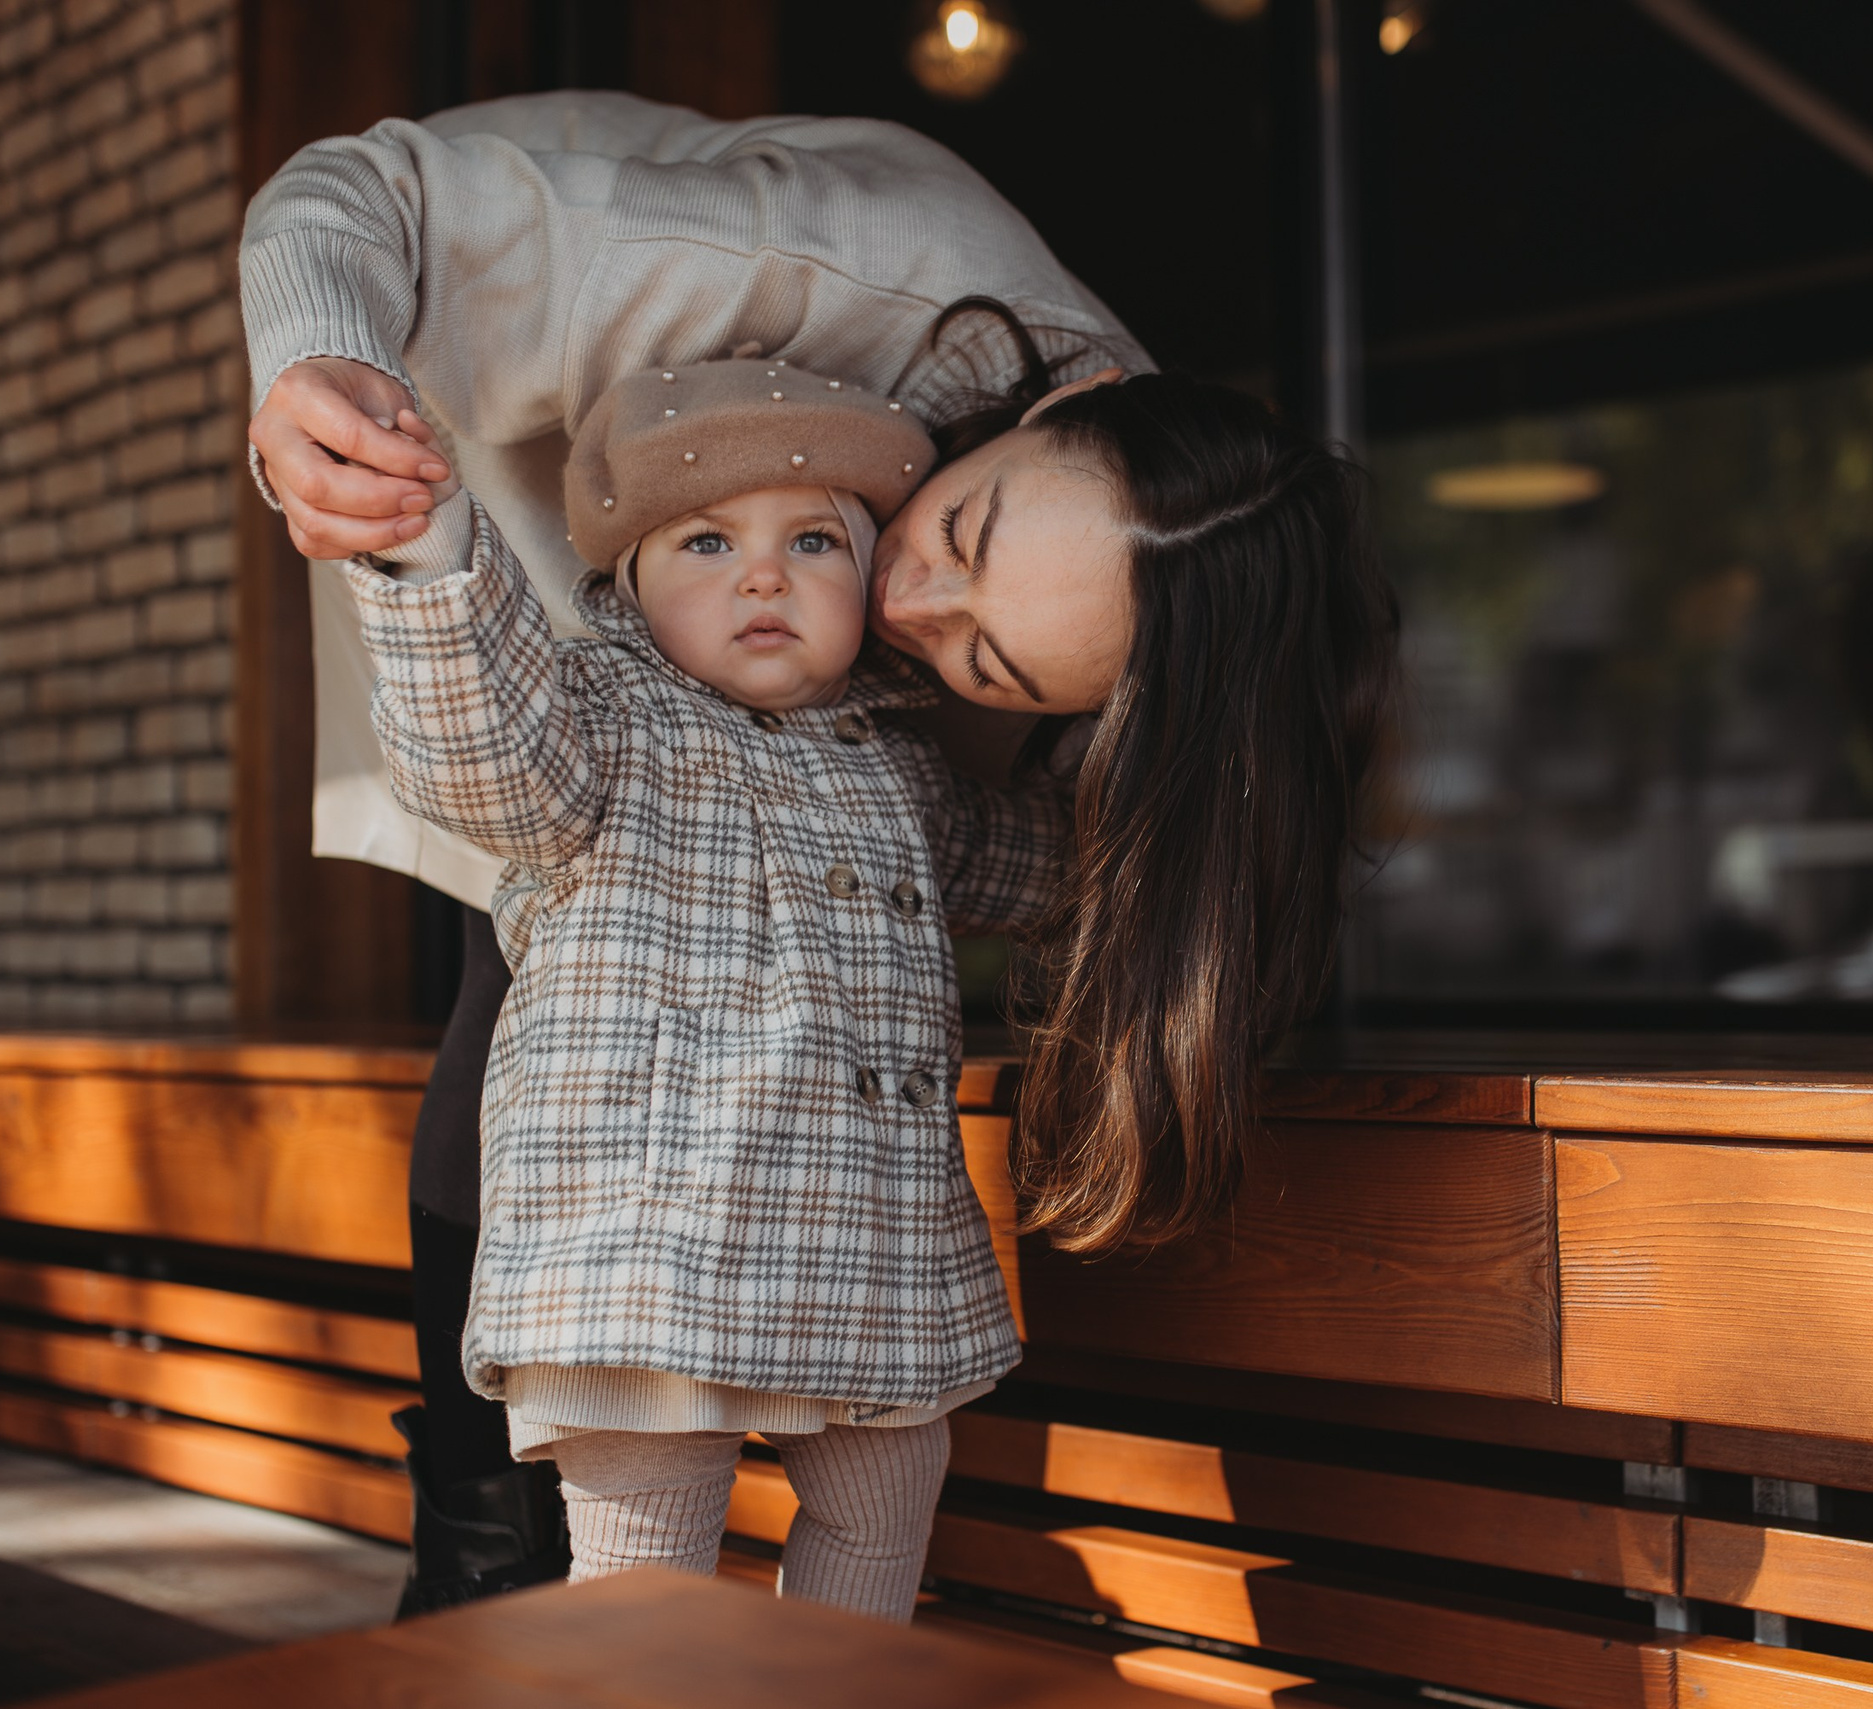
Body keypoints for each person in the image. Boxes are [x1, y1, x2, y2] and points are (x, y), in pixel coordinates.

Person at [242, 90, 1398, 1609]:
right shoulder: (816, 268)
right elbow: (360, 185)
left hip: (825, 1055)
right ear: (1068, 403)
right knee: (515, 946)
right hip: (486, 511)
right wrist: (327, 384)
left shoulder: (1048, 636)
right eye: (965, 538)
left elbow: (1005, 842)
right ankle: (476, 1541)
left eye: (990, 669)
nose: (925, 619)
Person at [345, 354, 1056, 1617]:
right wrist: (437, 560)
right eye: (709, 539)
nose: (765, 573)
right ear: (626, 583)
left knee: (887, 1499)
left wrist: (1149, 774)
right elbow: (478, 752)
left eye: (817, 541)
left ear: (875, 587)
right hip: (649, 1256)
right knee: (644, 1578)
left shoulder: (896, 767)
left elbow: (1032, 864)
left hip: (870, 1254)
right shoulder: (599, 722)